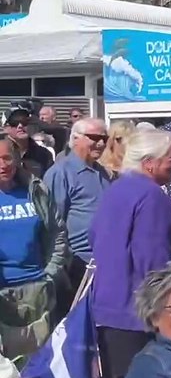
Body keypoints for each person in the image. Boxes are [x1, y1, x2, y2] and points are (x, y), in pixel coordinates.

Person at [88, 128, 171, 378]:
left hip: (108, 310)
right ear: (149, 163)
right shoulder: (153, 197)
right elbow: (154, 262)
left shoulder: (115, 191)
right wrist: (168, 313)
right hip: (140, 316)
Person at [0, 136, 67, 363]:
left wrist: (51, 272)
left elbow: (56, 232)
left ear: (17, 159)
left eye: (7, 157)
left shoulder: (35, 189)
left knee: (40, 364)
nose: (3, 164)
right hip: (3, 292)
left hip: (38, 288)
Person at [43, 117, 112, 314]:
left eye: (104, 138)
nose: (101, 143)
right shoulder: (60, 173)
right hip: (76, 265)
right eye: (94, 137)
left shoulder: (102, 173)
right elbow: (52, 223)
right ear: (75, 139)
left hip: (102, 263)